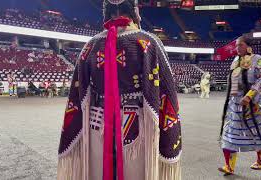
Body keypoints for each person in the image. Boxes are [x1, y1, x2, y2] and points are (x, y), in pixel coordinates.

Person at [57, 1, 182, 180]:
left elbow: (77, 96)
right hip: (137, 125)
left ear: (106, 12)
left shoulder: (90, 45)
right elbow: (166, 92)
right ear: (135, 11)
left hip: (97, 124)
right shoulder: (148, 43)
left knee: (98, 172)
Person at [218, 36, 261, 176]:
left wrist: (250, 95)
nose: (237, 48)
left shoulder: (257, 59)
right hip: (235, 104)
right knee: (229, 133)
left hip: (252, 105)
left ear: (248, 46)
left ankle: (260, 161)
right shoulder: (236, 60)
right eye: (236, 46)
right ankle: (229, 166)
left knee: (257, 131)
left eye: (240, 45)